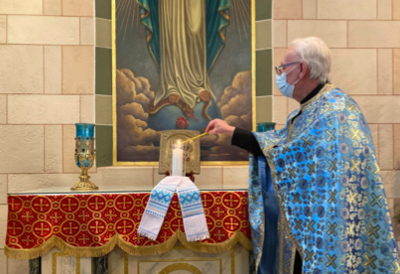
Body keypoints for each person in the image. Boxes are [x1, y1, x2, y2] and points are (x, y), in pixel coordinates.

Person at [206, 37, 400, 274]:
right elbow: (283, 149)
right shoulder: (312, 109)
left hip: (332, 231)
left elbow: (290, 156)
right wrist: (230, 131)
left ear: (302, 69)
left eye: (282, 68)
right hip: (310, 228)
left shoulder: (336, 111)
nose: (280, 75)